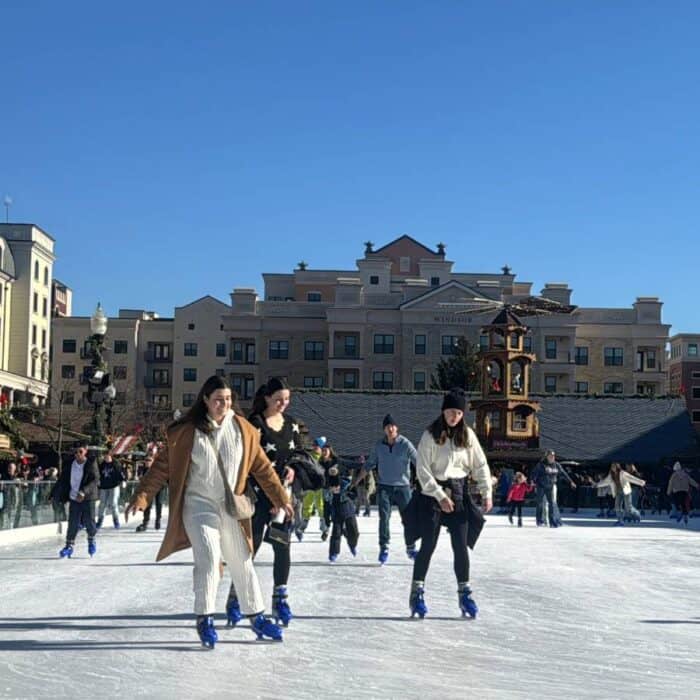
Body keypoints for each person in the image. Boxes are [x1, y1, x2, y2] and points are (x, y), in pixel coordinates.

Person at [125, 375, 293, 648]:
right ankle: (204, 617)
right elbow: (161, 468)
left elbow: (262, 468)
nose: (223, 405)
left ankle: (257, 616)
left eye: (227, 400)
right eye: (217, 400)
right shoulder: (186, 432)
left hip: (229, 507)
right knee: (209, 556)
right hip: (198, 505)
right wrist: (142, 496)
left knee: (242, 560)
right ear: (205, 400)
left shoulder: (244, 429)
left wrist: (280, 496)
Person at [227, 377, 304, 629]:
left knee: (283, 546)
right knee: (252, 546)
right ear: (267, 398)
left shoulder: (292, 425)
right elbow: (246, 461)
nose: (283, 403)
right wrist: (268, 495)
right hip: (259, 496)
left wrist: (293, 469)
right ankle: (236, 596)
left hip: (284, 496)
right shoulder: (255, 424)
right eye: (279, 399)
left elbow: (299, 454)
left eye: (287, 399)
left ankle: (280, 598)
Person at [410, 389, 493, 619]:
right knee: (428, 545)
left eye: (458, 412)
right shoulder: (430, 435)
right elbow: (422, 470)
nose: (454, 416)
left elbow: (480, 464)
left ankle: (465, 593)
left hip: (459, 493)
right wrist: (439, 495)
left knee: (460, 545)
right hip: (433, 494)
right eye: (450, 411)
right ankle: (417, 593)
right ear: (443, 411)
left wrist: (486, 491)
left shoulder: (468, 436)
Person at [353, 414, 418, 564]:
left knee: (408, 519)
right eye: (388, 426)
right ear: (384, 429)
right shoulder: (379, 446)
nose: (390, 429)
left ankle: (411, 546)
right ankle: (384, 547)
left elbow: (418, 461)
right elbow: (369, 464)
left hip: (403, 487)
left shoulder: (405, 444)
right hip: (384, 487)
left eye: (393, 426)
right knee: (384, 517)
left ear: (397, 428)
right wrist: (357, 480)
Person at [51, 443, 100, 558]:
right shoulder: (69, 464)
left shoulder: (91, 463)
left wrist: (83, 491)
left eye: (80, 452)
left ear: (85, 452)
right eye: (75, 452)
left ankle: (91, 539)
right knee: (73, 522)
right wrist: (54, 494)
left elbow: (95, 480)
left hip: (88, 497)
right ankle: (69, 545)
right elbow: (62, 480)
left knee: (89, 521)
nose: (77, 454)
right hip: (74, 497)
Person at [530, 450, 576, 528]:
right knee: (540, 503)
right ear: (546, 456)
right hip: (541, 486)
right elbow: (534, 473)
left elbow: (564, 473)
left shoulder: (556, 465)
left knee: (551, 503)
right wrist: (532, 481)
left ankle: (552, 521)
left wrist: (571, 481)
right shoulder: (541, 465)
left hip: (550, 486)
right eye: (550, 456)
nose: (552, 457)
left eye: (553, 456)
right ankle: (539, 520)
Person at [327, 462, 359, 562]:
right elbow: (326, 504)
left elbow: (354, 494)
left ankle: (352, 544)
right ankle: (334, 552)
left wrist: (347, 494)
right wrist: (326, 517)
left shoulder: (346, 483)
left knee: (353, 531)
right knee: (336, 533)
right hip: (336, 512)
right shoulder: (330, 487)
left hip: (348, 511)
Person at [300, 437, 330, 541]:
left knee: (321, 505)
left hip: (321, 486)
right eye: (314, 445)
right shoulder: (309, 456)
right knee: (307, 504)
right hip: (311, 485)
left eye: (317, 446)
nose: (314, 447)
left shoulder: (324, 457)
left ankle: (324, 527)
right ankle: (303, 525)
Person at [96, 452, 126, 529]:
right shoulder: (101, 465)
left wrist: (123, 481)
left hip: (114, 486)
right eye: (105, 456)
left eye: (108, 456)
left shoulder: (116, 464)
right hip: (104, 487)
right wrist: (98, 481)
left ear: (111, 456)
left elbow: (121, 473)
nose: (106, 458)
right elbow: (97, 474)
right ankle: (100, 520)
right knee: (102, 504)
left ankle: (116, 520)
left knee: (113, 503)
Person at [135, 455, 165, 531]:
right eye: (146, 460)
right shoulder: (143, 470)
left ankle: (158, 520)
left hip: (158, 489)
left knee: (159, 504)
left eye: (149, 460)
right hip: (148, 490)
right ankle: (145, 522)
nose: (147, 462)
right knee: (147, 506)